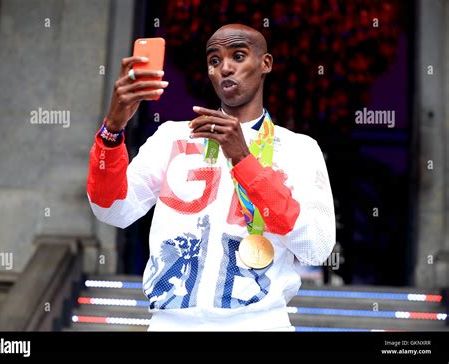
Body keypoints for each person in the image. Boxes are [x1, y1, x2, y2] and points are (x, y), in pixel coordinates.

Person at [87, 24, 335, 331]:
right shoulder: (171, 136)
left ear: (266, 63)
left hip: (260, 324)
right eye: (214, 60)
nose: (225, 67)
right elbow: (112, 210)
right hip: (169, 325)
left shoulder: (299, 148)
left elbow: (316, 247)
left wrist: (244, 160)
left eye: (239, 55)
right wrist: (112, 130)